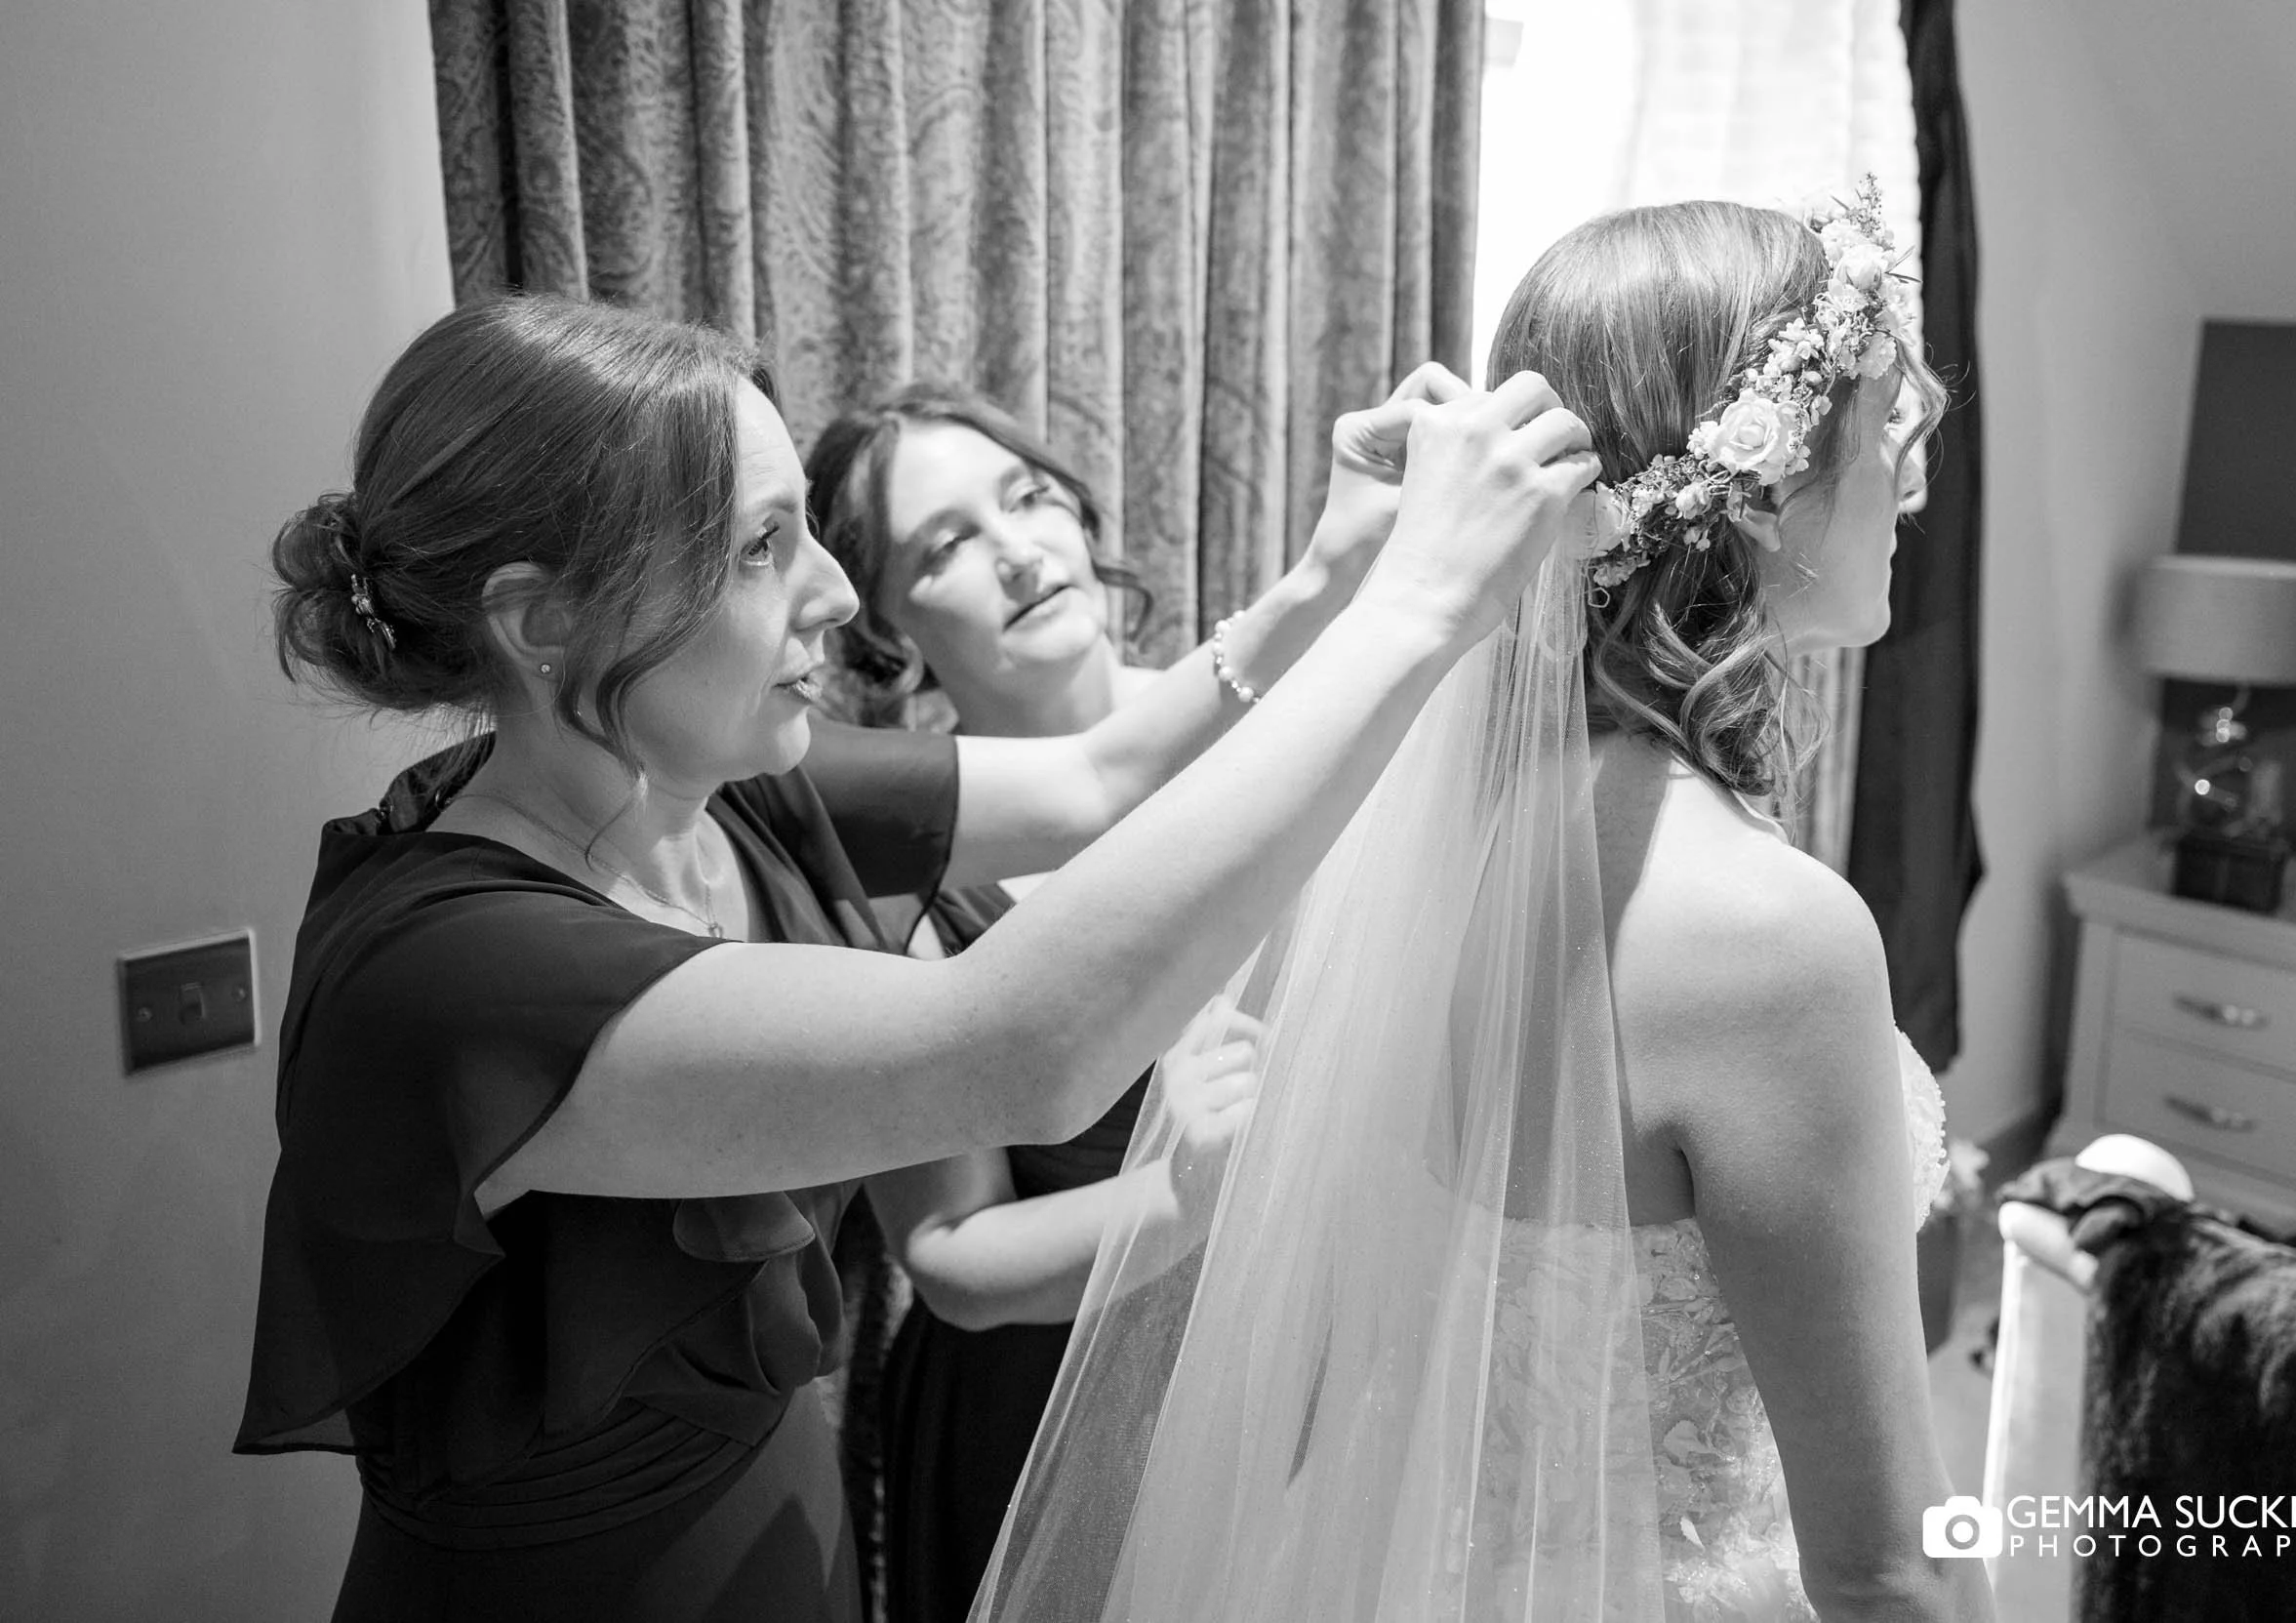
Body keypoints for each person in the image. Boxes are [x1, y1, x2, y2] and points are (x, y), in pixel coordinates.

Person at [234, 293, 1594, 1622]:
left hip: (786, 1519)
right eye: (762, 545)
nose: (832, 593)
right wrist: (1415, 612)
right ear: (540, 622)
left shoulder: (715, 775)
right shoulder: (454, 970)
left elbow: (1102, 773)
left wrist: (1331, 570)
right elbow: (1022, 1050)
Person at [970, 184, 1996, 1622]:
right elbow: (1886, 1561)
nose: (1915, 484)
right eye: (1885, 430)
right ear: (1759, 484)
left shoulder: (1419, 819)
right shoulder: (1771, 935)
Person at [802, 384, 1275, 1623]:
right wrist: (1176, 1198)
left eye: (1028, 498)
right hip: (1046, 1423)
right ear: (886, 629)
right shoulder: (901, 894)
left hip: (1302, 1358)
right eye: (945, 544)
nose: (1016, 551)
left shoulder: (1278, 738)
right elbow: (952, 1259)